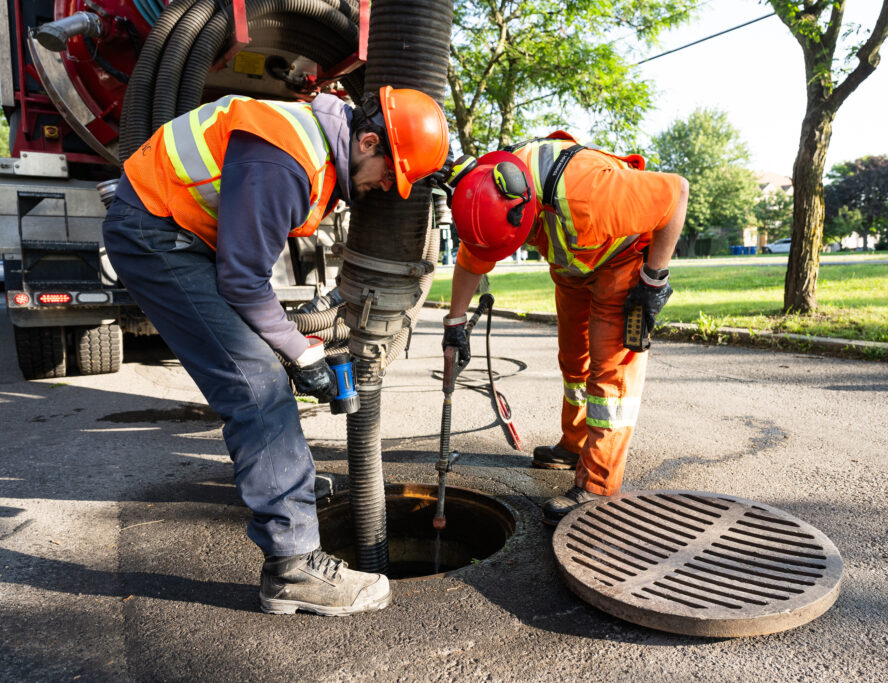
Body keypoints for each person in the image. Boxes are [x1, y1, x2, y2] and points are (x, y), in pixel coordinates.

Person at [102, 86, 449, 615]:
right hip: (156, 236)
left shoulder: (312, 144)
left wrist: (298, 345)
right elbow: (243, 281)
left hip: (180, 232)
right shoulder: (287, 158)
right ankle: (292, 566)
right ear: (368, 141)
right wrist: (302, 355)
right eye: (388, 174)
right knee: (257, 384)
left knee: (264, 370)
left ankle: (288, 494)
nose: (384, 188)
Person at [441, 131, 688, 525]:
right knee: (574, 362)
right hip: (573, 268)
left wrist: (653, 279)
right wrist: (455, 326)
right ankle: (573, 446)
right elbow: (472, 260)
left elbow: (676, 194)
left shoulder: (589, 193)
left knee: (610, 380)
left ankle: (597, 486)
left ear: (528, 211)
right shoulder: (490, 189)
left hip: (621, 261)